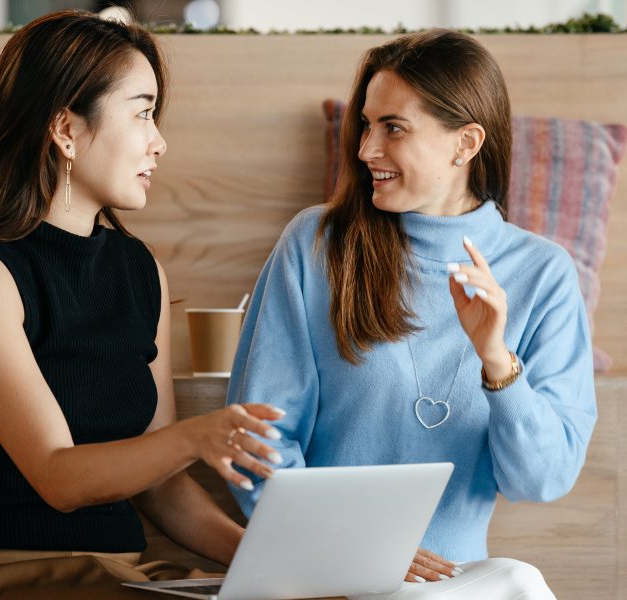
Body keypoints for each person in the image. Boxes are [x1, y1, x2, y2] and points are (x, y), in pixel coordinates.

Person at [0, 11, 284, 599]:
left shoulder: (140, 270)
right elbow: (58, 476)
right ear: (66, 130)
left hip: (122, 575)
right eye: (143, 111)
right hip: (0, 576)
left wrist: (282, 563)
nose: (159, 141)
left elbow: (161, 488)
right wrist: (195, 437)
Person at [227, 29, 597, 598]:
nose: (366, 149)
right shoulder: (316, 244)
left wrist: (498, 362)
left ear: (466, 142)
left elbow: (542, 480)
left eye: (393, 128)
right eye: (366, 124)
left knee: (519, 581)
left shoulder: (543, 274)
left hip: (455, 585)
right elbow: (257, 441)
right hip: (324, 574)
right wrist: (352, 552)